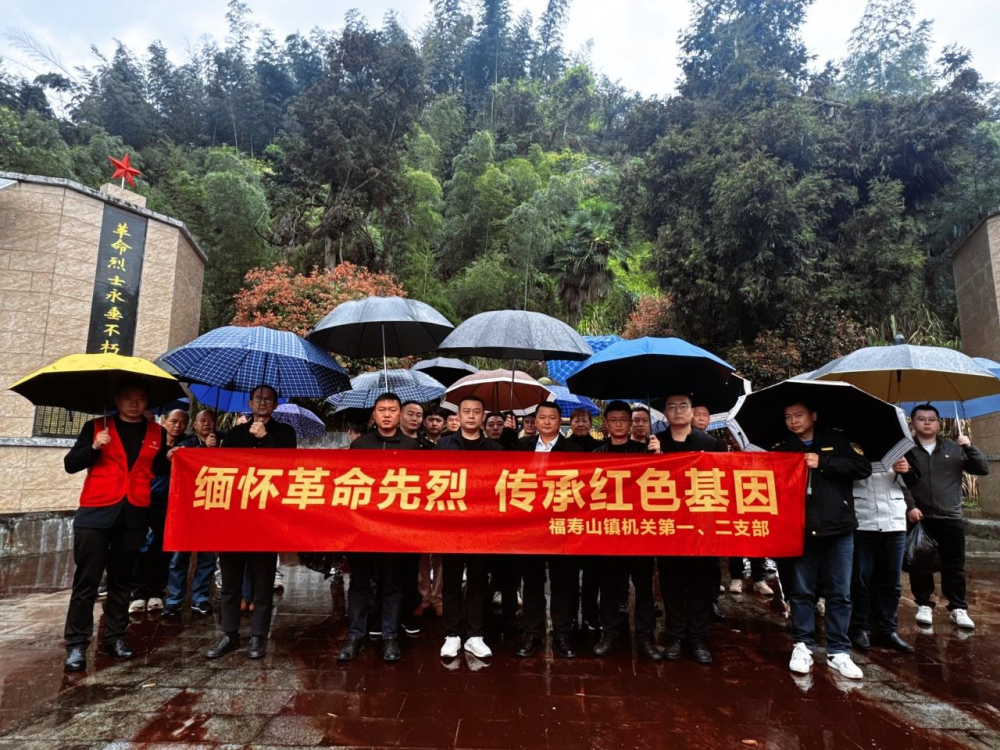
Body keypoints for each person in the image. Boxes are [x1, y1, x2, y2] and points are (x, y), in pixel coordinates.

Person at [62, 378, 171, 672]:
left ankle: (115, 638)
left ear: (147, 402)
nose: (134, 403)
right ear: (116, 400)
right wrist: (94, 447)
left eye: (140, 398)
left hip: (134, 513)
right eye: (128, 397)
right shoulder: (96, 427)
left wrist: (170, 456)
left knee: (122, 580)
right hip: (96, 512)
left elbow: (158, 468)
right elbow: (70, 464)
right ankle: (76, 644)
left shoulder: (157, 432)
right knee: (87, 581)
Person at [772, 401, 871, 680]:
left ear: (813, 416)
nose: (793, 421)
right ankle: (802, 645)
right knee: (802, 591)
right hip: (800, 529)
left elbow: (862, 467)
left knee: (839, 592)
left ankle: (838, 650)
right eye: (788, 416)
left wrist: (823, 462)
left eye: (799, 415)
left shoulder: (838, 439)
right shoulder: (782, 447)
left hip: (839, 528)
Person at [207, 385, 296, 661]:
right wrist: (209, 451)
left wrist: (265, 438)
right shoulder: (235, 434)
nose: (262, 403)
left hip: (266, 517)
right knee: (230, 581)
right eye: (258, 399)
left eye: (268, 400)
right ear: (250, 403)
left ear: (276, 405)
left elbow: (289, 466)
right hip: (235, 516)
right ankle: (229, 634)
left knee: (263, 580)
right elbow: (221, 470)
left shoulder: (285, 433)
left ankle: (258, 636)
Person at [338, 393, 420, 662]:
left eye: (392, 410)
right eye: (381, 409)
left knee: (392, 583)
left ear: (400, 414)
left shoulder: (412, 446)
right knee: (359, 583)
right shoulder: (360, 445)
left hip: (396, 528)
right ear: (373, 414)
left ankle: (389, 636)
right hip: (363, 527)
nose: (386, 414)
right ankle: (355, 635)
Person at [654, 393, 726, 666]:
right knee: (671, 585)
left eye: (683, 406)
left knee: (700, 585)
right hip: (667, 525)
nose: (678, 411)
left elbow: (725, 481)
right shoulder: (655, 443)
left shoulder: (712, 444)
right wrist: (653, 458)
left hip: (701, 526)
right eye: (671, 407)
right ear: (665, 413)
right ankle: (676, 637)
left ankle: (698, 638)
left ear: (692, 411)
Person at [907, 404, 989, 630]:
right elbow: (900, 482)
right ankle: (924, 604)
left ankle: (958, 608)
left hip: (950, 516)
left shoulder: (954, 448)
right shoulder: (906, 450)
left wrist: (970, 447)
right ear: (912, 423)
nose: (927, 422)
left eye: (931, 419)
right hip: (920, 516)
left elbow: (982, 469)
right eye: (921, 419)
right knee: (920, 563)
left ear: (939, 423)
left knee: (954, 564)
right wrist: (910, 507)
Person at [591, 401, 662, 661]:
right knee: (609, 587)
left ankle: (645, 637)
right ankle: (609, 634)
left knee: (643, 588)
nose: (619, 424)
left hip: (640, 532)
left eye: (624, 419)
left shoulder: (646, 451)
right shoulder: (595, 454)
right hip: (608, 532)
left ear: (631, 423)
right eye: (614, 420)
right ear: (606, 424)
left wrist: (659, 457)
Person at [436, 396, 501, 660]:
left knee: (477, 581)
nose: (471, 416)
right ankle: (452, 634)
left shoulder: (495, 449)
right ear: (459, 416)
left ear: (483, 416)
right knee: (451, 581)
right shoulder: (443, 445)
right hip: (451, 525)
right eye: (466, 411)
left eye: (476, 411)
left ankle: (475, 635)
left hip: (482, 526)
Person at [512, 401, 578, 658]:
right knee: (532, 581)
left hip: (561, 523)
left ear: (560, 421)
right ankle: (533, 634)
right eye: (543, 417)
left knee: (562, 582)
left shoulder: (573, 449)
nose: (547, 421)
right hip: (531, 524)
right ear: (535, 421)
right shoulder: (521, 447)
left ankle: (562, 635)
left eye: (552, 417)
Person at [849, 459, 920, 653]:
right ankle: (860, 627)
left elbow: (915, 479)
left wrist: (907, 469)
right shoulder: (853, 449)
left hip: (894, 521)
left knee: (891, 581)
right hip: (862, 520)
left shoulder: (899, 449)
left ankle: (887, 629)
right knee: (860, 580)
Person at [128, 408, 189, 615]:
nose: (177, 425)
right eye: (173, 421)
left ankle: (156, 592)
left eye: (182, 422)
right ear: (164, 421)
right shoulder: (151, 441)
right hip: (145, 502)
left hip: (172, 506)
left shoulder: (188, 445)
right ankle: (137, 593)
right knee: (141, 548)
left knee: (163, 549)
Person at [164, 409, 219, 617]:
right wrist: (204, 449)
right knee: (179, 556)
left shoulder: (222, 443)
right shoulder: (185, 444)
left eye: (211, 421)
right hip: (186, 507)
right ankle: (174, 598)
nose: (206, 424)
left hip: (211, 506)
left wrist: (215, 450)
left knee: (207, 557)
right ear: (194, 425)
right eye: (202, 420)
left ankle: (200, 597)